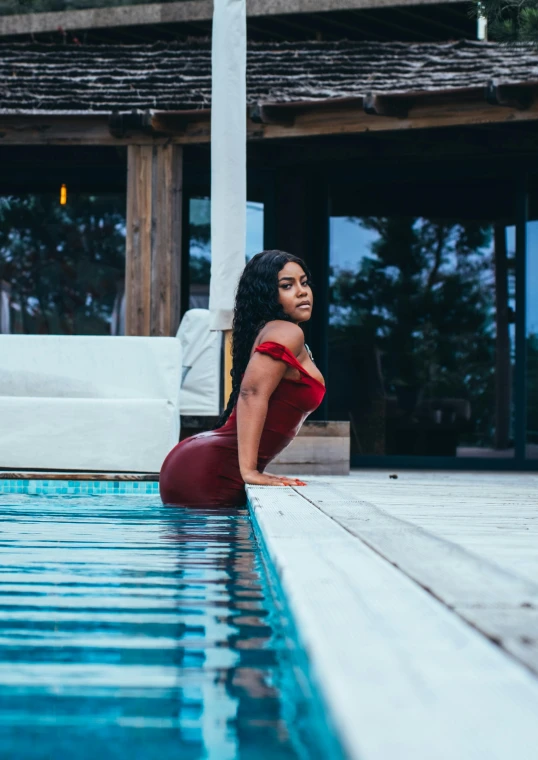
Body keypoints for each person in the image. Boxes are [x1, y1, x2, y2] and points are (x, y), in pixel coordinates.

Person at [159, 250, 326, 507]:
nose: (302, 291)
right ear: (267, 295)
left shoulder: (275, 332)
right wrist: (250, 472)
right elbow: (251, 394)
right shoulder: (286, 332)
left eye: (304, 282)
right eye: (287, 285)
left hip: (201, 464)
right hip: (209, 469)